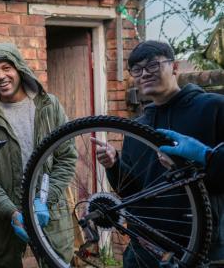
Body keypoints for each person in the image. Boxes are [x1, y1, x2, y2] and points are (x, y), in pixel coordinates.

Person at [91, 40, 224, 266]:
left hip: (203, 246)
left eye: (153, 66)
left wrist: (195, 163)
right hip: (145, 249)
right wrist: (114, 165)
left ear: (174, 68)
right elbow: (132, 192)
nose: (144, 74)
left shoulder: (213, 108)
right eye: (137, 69)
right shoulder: (137, 128)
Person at [0, 43, 78, 268]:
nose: (1, 76)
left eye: (6, 68)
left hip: (49, 209)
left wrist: (44, 199)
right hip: (0, 215)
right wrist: (11, 211)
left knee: (56, 264)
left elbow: (66, 158)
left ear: (19, 69)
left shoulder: (49, 106)